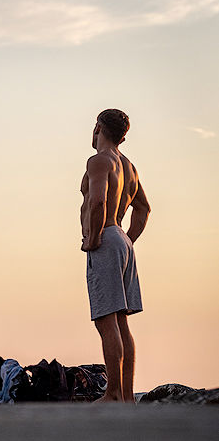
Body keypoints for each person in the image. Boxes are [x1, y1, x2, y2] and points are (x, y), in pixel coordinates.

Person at [80, 109, 151, 403]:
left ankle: (113, 393)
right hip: (120, 238)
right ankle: (127, 396)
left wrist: (96, 236)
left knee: (106, 320)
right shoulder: (129, 167)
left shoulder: (99, 161)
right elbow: (144, 208)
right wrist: (126, 239)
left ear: (98, 127)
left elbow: (97, 200)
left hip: (106, 238)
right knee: (120, 321)